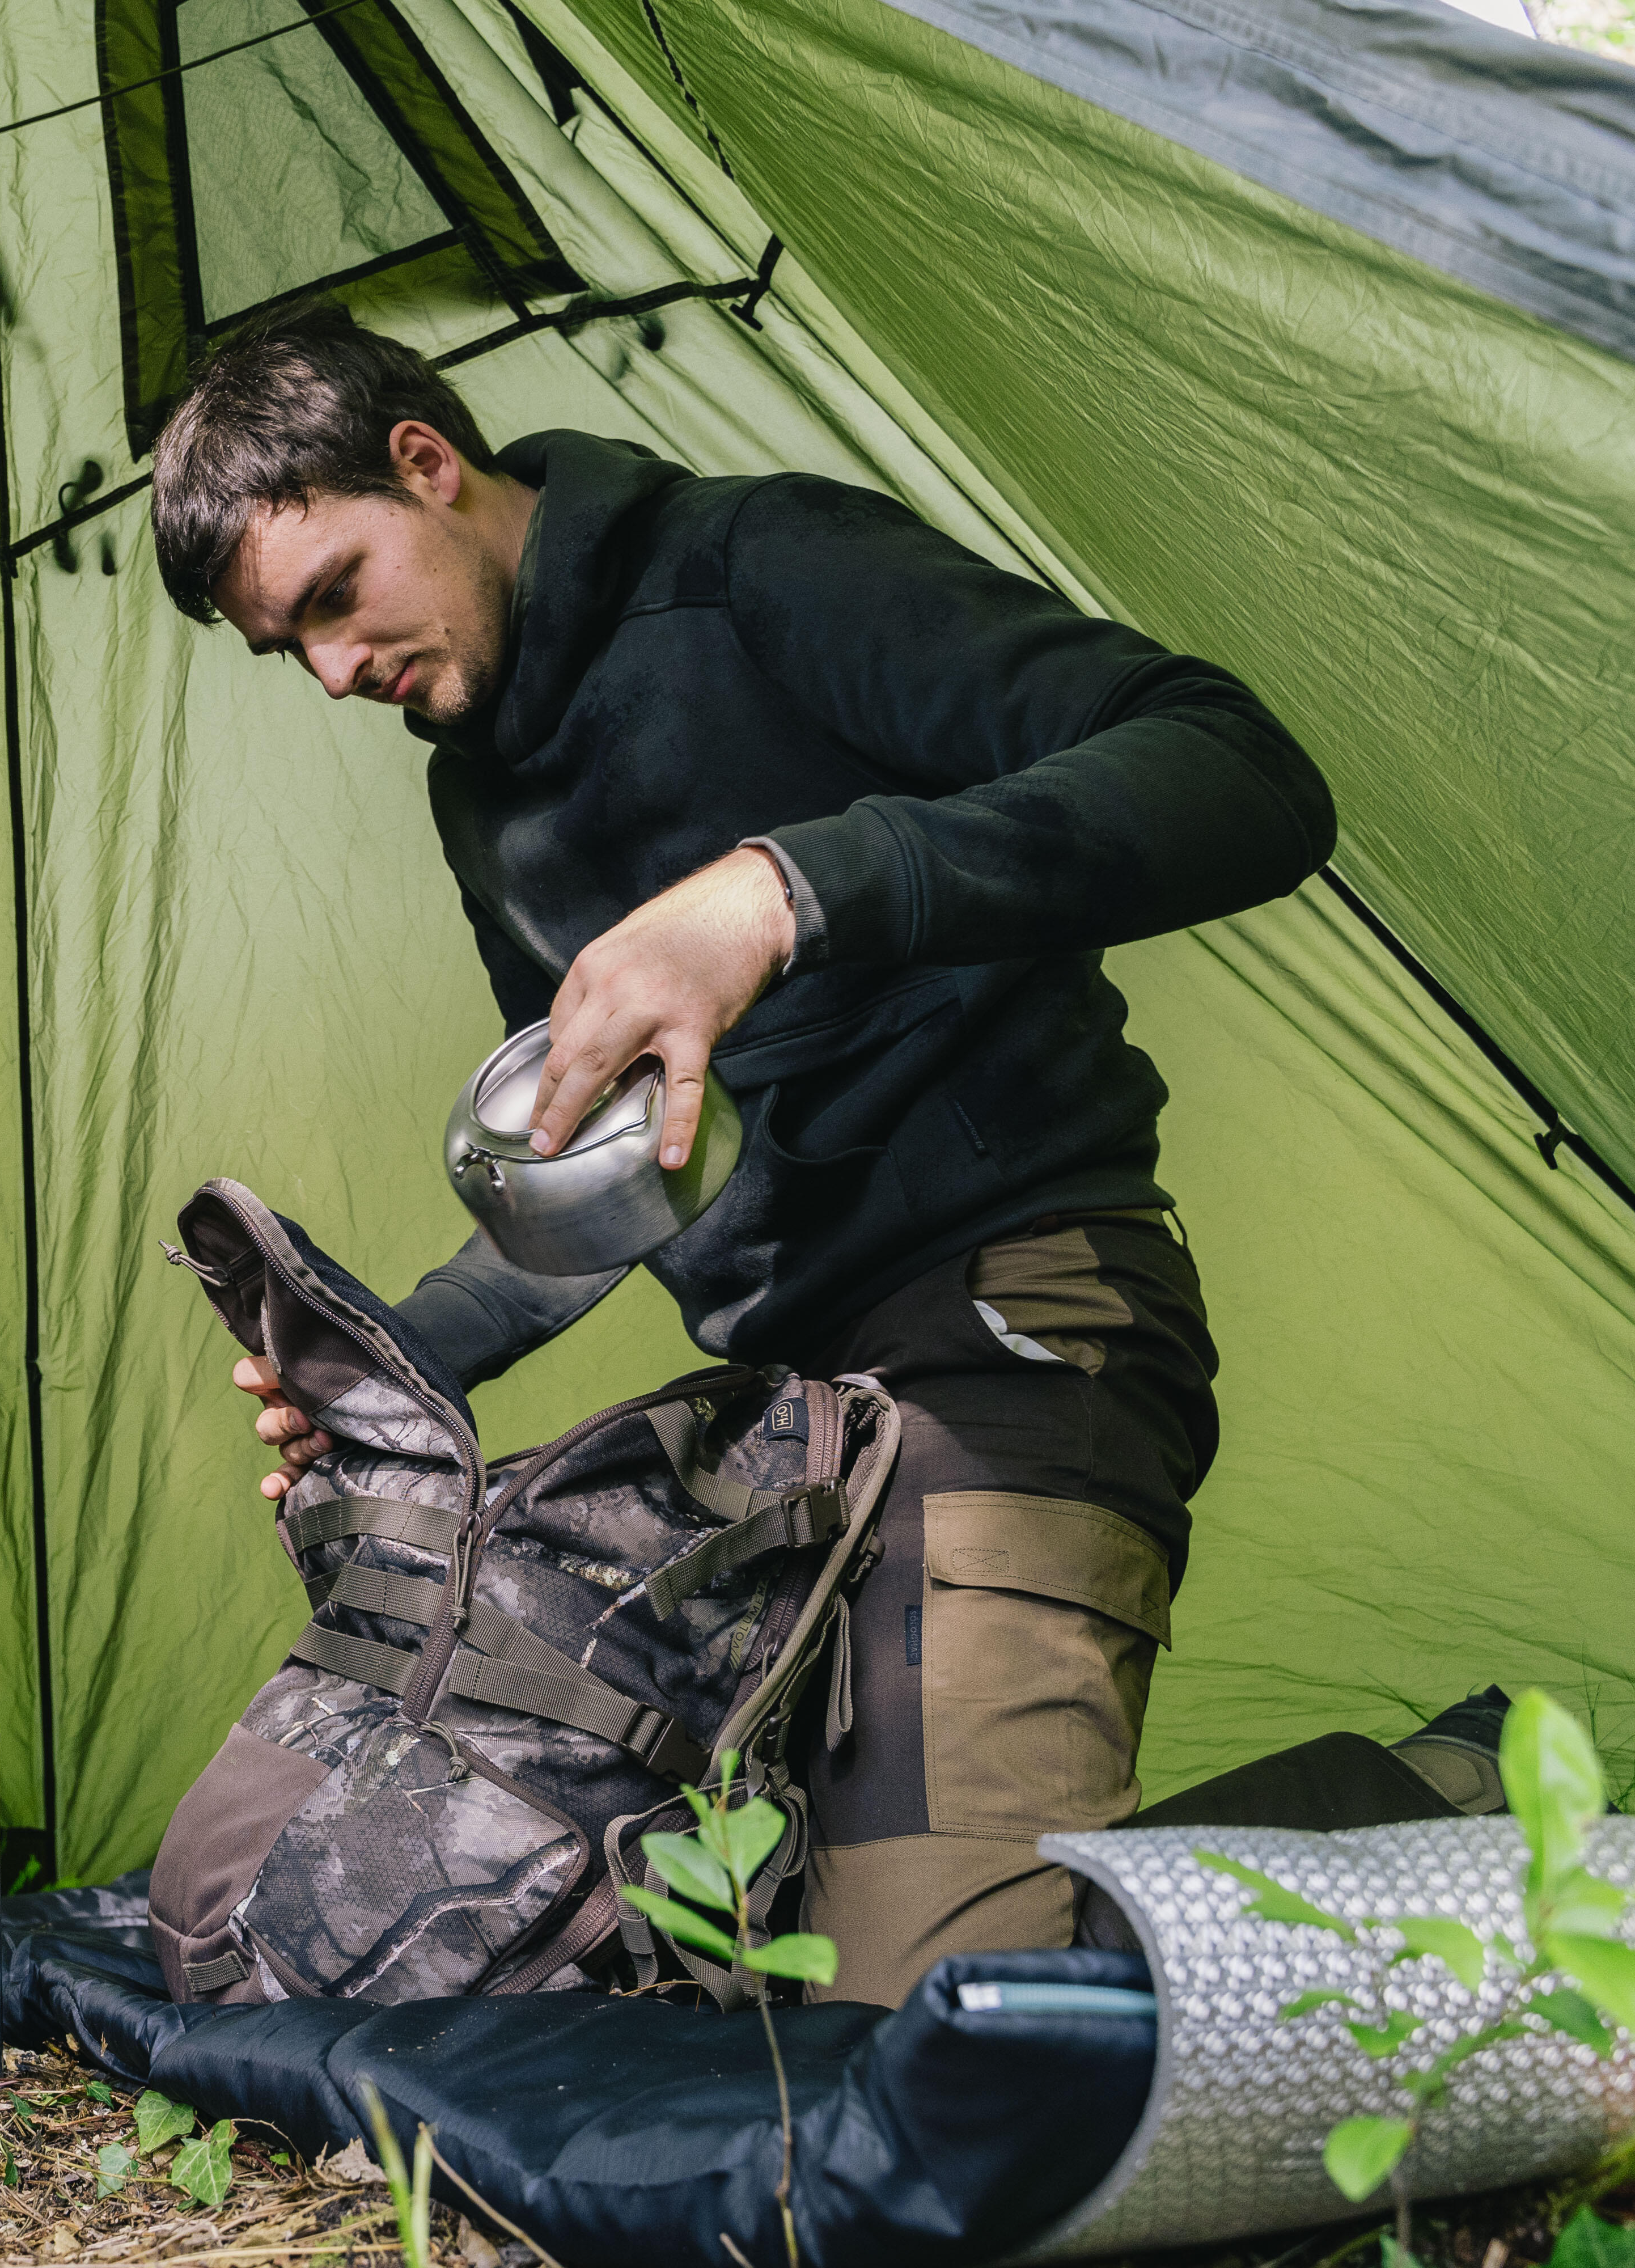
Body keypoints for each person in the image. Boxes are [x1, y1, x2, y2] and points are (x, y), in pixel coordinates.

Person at [146, 304, 1337, 2006]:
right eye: (292, 652)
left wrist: (782, 892)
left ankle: (1458, 1839)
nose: (337, 675)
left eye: (335, 594)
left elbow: (1246, 775)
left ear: (426, 464)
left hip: (1016, 1328)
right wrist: (392, 1361)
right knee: (451, 1924)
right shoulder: (477, 789)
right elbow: (630, 1162)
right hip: (780, 1436)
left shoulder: (764, 566)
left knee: (932, 2029)